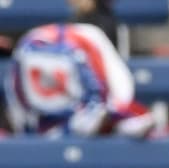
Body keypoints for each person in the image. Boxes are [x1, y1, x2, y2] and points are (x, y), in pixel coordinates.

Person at [3, 22, 155, 138]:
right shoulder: (27, 50)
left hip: (94, 110)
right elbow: (18, 106)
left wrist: (114, 106)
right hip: (49, 126)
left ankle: (110, 118)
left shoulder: (89, 35)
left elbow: (119, 83)